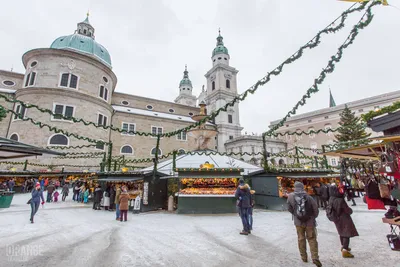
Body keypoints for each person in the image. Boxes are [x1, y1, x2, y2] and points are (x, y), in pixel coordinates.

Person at [287, 181, 321, 267]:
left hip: (298, 222)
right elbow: (315, 209)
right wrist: (313, 217)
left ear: (295, 187)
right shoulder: (309, 197)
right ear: (303, 187)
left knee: (301, 239)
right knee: (312, 239)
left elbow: (289, 208)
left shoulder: (290, 196)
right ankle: (315, 257)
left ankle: (304, 257)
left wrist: (296, 215)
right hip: (310, 222)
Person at [328, 184, 359, 258]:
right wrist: (350, 211)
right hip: (344, 218)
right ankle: (345, 249)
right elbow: (347, 210)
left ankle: (343, 246)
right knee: (346, 233)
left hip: (336, 219)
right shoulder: (340, 200)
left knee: (341, 232)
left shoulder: (331, 198)